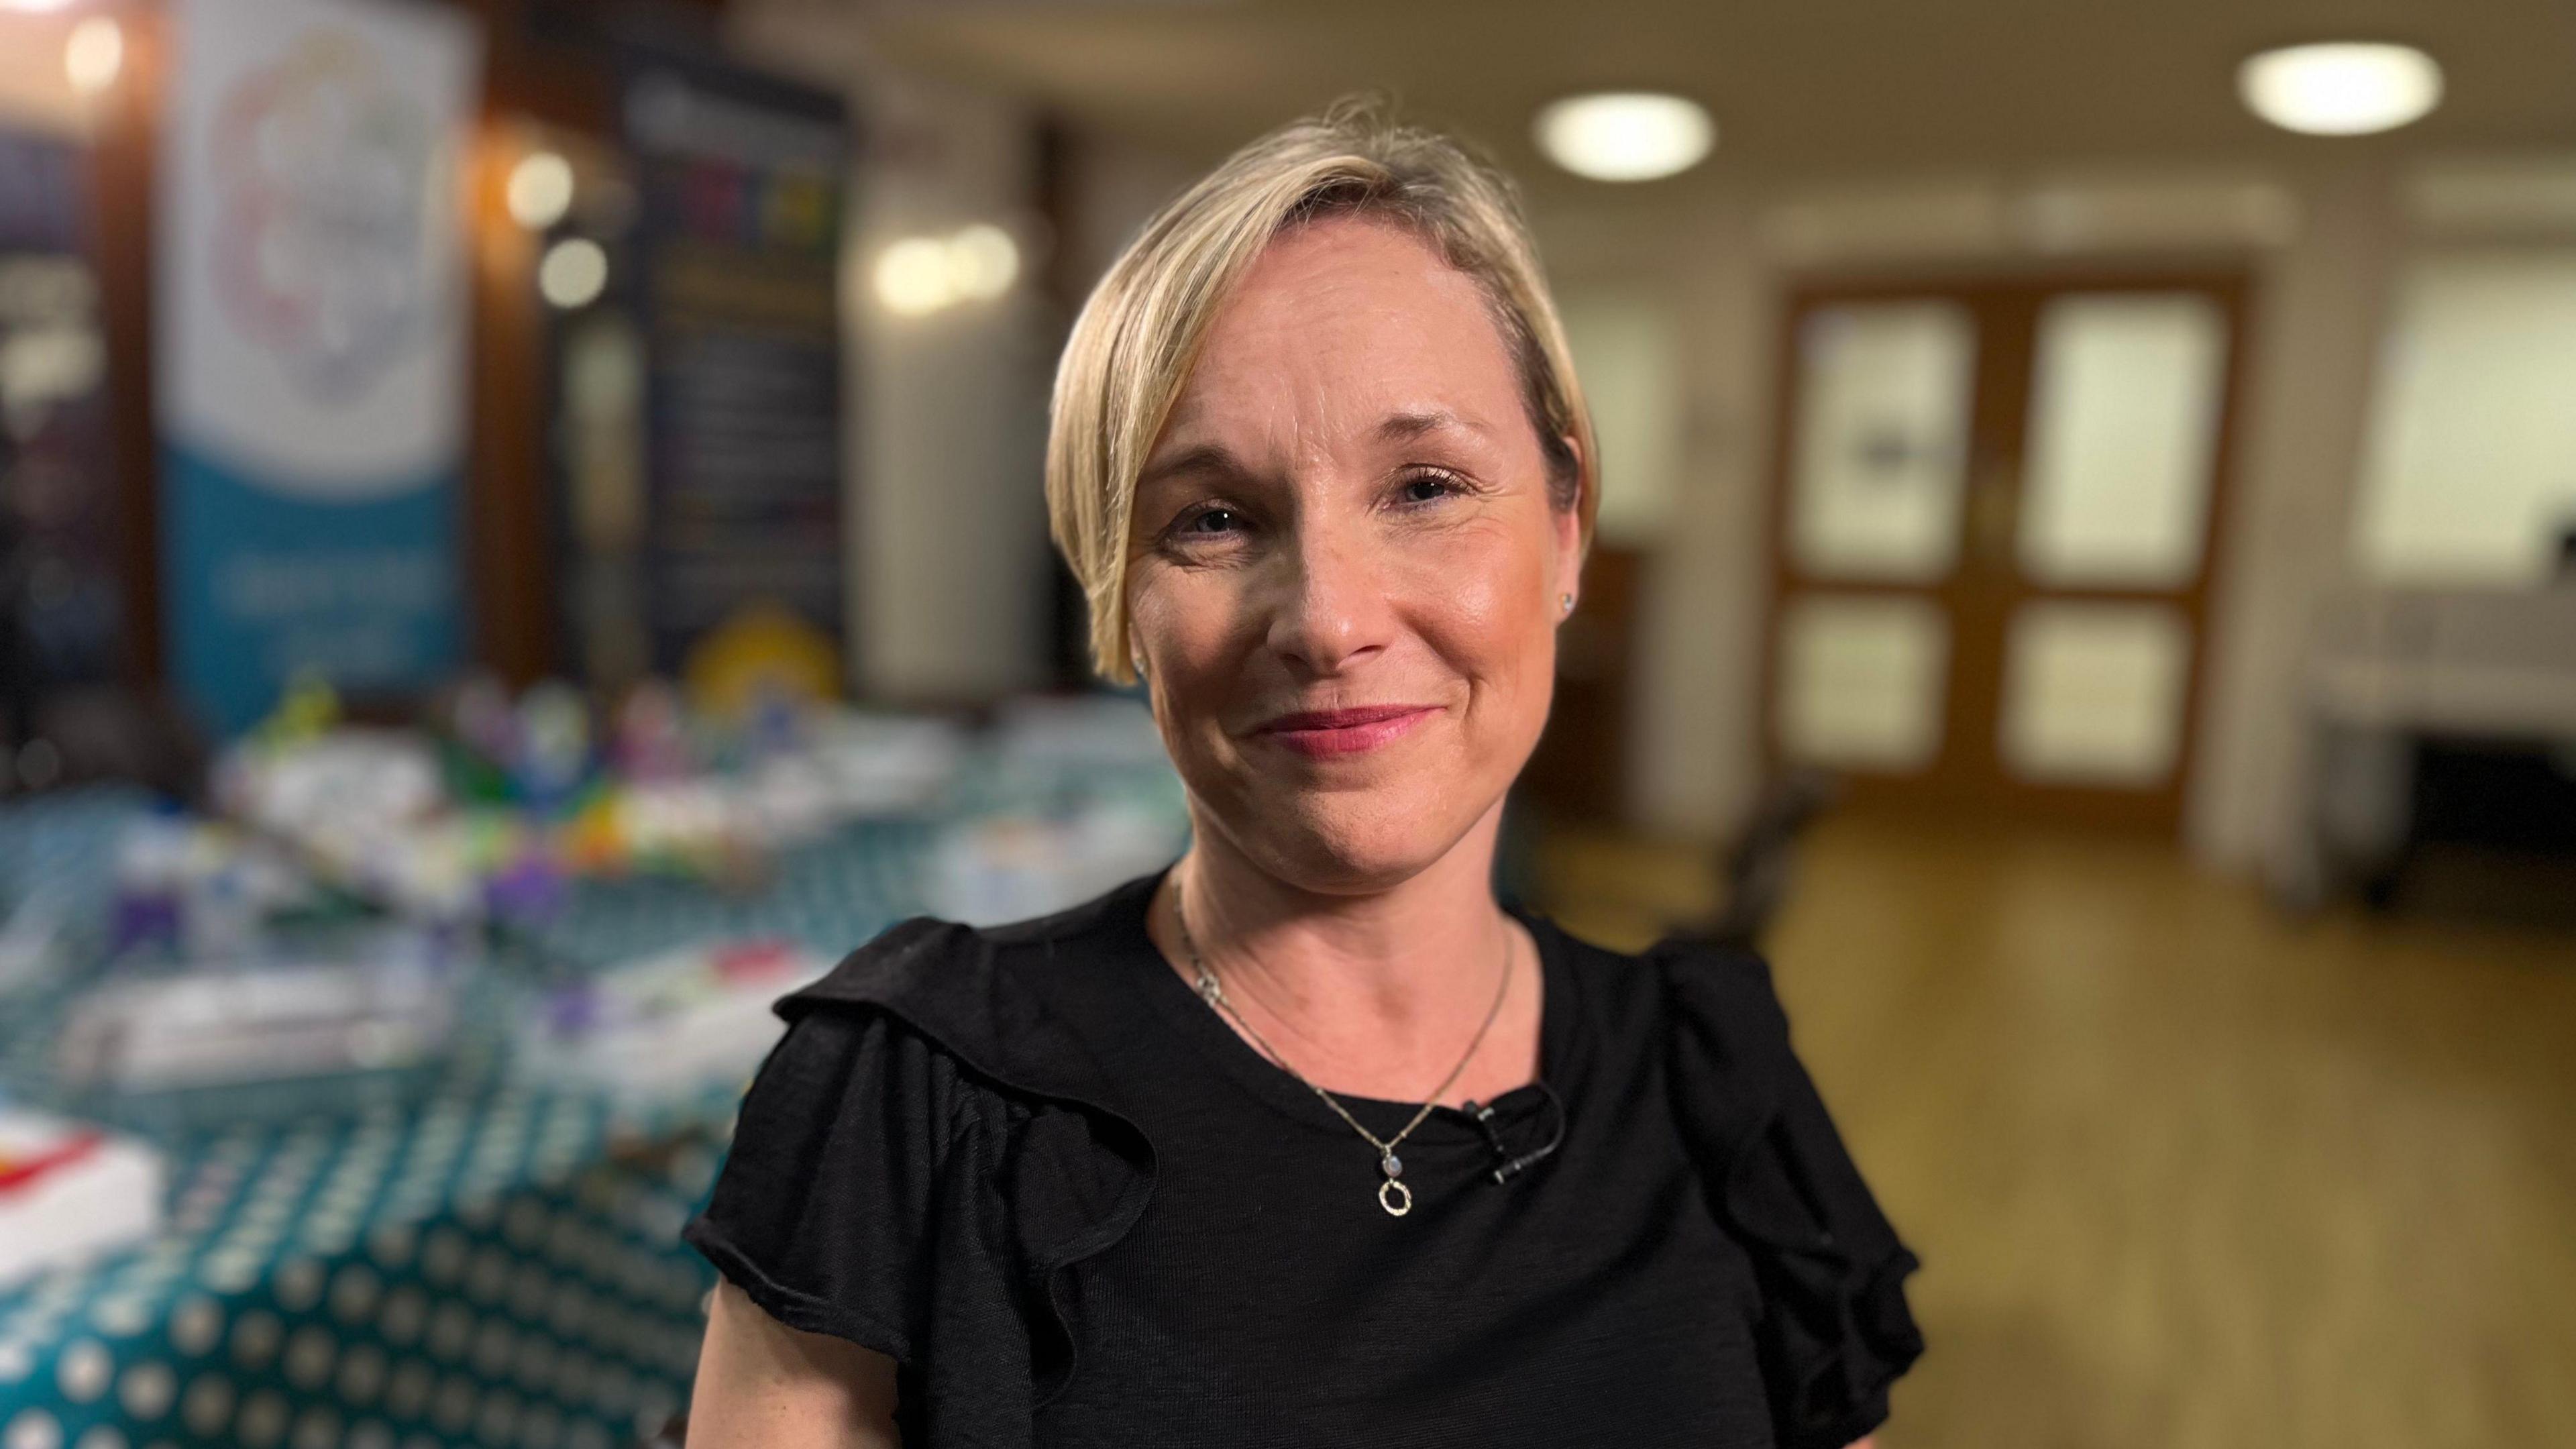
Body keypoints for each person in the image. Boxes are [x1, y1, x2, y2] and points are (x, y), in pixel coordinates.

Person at [682, 97, 1923, 1448]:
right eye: (1212, 519)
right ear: (1119, 596)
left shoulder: (1717, 1090)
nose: (1329, 618)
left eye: (1428, 486)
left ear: (1567, 532)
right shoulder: (915, 1106)